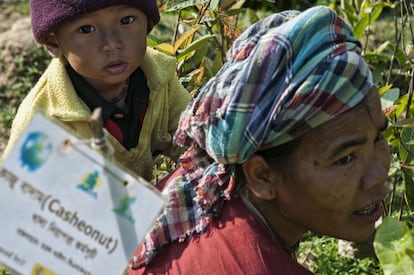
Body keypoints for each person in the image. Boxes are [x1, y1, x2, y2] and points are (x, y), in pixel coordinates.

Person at [127, 5, 391, 274]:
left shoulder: (193, 187)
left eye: (379, 137)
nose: (379, 175)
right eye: (345, 158)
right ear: (261, 176)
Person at [1, 0, 191, 181]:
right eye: (86, 29)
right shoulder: (41, 122)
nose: (112, 44)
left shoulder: (159, 77)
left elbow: (194, 138)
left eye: (126, 20)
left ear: (147, 24)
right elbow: (17, 201)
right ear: (53, 43)